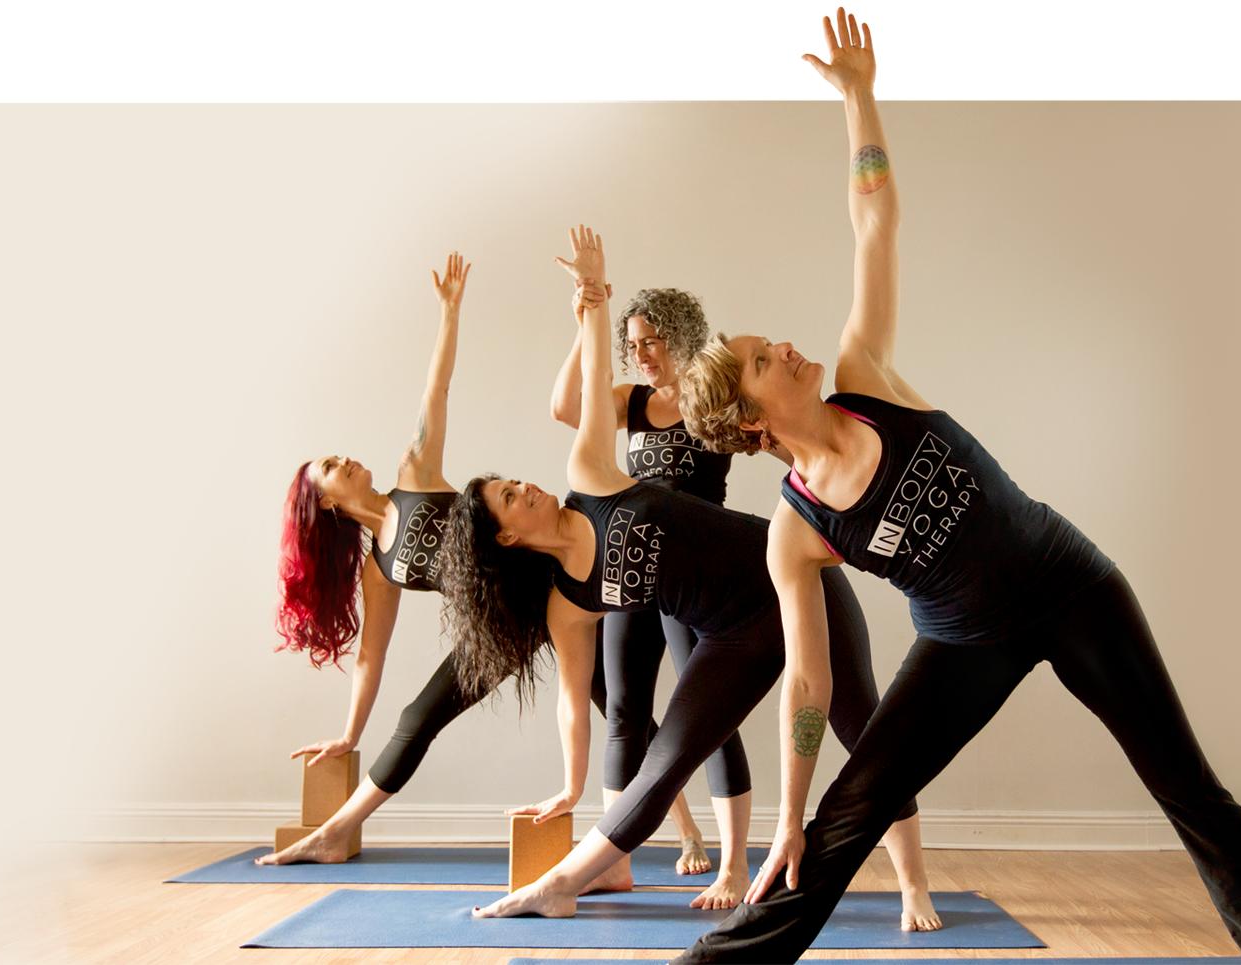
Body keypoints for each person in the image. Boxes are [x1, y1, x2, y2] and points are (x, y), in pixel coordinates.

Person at [669, 11, 1241, 962]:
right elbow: (807, 681)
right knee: (843, 820)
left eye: (771, 341)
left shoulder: (865, 377)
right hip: (962, 641)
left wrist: (859, 97)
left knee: (1187, 785)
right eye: (767, 359)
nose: (788, 347)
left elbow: (874, 221)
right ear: (753, 423)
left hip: (1071, 585)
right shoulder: (795, 530)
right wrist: (788, 817)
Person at [440, 226, 938, 929]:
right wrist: (571, 787)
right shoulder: (569, 603)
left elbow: (589, 388)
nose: (529, 487)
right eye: (512, 498)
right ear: (508, 538)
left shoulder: (591, 476)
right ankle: (560, 884)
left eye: (518, 481)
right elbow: (575, 703)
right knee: (664, 761)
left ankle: (914, 884)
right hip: (730, 635)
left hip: (794, 586)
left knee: (865, 732)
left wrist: (592, 299)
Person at [263, 252, 618, 867]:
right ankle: (333, 834)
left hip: (559, 587)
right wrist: (349, 734)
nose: (346, 459)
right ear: (326, 504)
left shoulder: (414, 473)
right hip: (501, 627)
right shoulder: (380, 569)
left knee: (618, 707)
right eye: (332, 467)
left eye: (338, 455)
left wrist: (450, 313)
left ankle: (685, 832)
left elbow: (438, 389)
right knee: (417, 716)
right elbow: (371, 656)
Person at [549, 282, 755, 903]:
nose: (641, 354)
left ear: (683, 337)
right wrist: (583, 322)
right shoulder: (630, 401)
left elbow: (777, 436)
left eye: (653, 341)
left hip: (698, 577)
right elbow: (565, 407)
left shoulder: (712, 394)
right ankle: (614, 861)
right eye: (633, 343)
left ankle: (735, 866)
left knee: (711, 718)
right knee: (624, 711)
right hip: (634, 573)